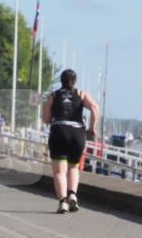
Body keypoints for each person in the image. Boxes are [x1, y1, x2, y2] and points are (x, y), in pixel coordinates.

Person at [42, 69, 100, 213]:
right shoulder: (81, 94)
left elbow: (46, 118)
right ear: (75, 81)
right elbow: (94, 107)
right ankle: (72, 195)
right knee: (73, 167)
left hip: (59, 132)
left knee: (59, 172)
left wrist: (51, 118)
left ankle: (62, 202)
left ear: (60, 81)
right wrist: (92, 128)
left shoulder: (53, 96)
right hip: (77, 133)